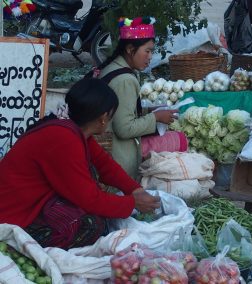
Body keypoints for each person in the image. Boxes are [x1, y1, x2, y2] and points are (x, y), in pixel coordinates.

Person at [0, 78, 161, 249]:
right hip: (13, 216)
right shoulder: (63, 139)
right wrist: (132, 203)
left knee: (99, 211)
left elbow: (104, 164)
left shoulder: (74, 130)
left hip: (30, 204)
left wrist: (135, 190)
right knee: (91, 225)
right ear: (103, 117)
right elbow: (89, 199)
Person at [94, 17, 179, 179]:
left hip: (106, 154)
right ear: (130, 49)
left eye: (152, 51)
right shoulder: (125, 80)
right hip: (117, 158)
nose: (150, 57)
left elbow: (121, 108)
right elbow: (125, 128)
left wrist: (147, 110)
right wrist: (155, 118)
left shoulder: (112, 68)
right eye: (147, 51)